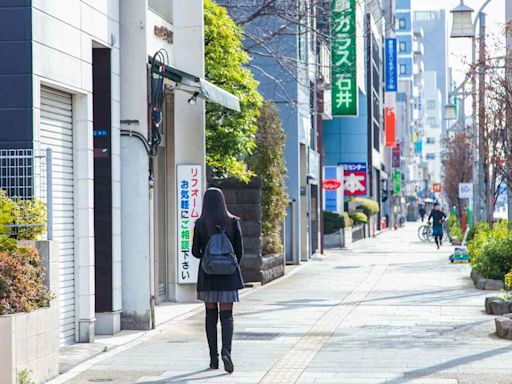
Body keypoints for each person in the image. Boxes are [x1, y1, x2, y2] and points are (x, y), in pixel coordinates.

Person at [192, 188, 244, 373]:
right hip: (228, 276)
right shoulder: (233, 222)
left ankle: (213, 359)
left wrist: (208, 255)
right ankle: (226, 352)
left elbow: (195, 252)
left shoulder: (200, 223)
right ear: (223, 201)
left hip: (208, 275)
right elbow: (239, 252)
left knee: (210, 316)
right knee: (227, 316)